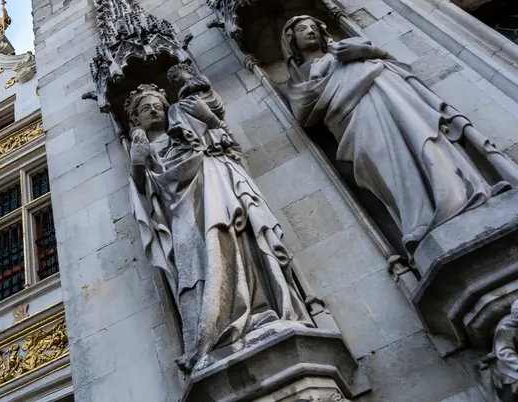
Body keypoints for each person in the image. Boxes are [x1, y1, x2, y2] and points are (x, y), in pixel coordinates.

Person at [127, 64, 311, 373]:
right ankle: (208, 333)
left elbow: (212, 114)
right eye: (146, 109)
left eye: (158, 105)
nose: (154, 111)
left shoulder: (181, 123)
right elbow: (147, 195)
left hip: (215, 187)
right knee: (198, 261)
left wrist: (190, 83)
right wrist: (138, 162)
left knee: (239, 242)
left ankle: (261, 309)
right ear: (136, 118)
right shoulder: (144, 148)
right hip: (182, 211)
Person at [281, 15, 518, 253]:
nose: (310, 31)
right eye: (302, 29)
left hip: (392, 98)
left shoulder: (345, 50)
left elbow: (398, 66)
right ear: (292, 42)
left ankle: (459, 194)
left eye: (313, 27)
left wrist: (366, 50)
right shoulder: (298, 83)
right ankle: (422, 220)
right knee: (389, 164)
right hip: (356, 119)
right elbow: (302, 111)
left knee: (425, 141)